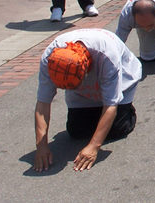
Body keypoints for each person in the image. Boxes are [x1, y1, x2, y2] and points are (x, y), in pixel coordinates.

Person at [34, 29, 142, 172]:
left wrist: (93, 147)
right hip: (84, 82)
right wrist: (41, 146)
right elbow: (42, 104)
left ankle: (128, 110)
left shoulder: (107, 55)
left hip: (123, 78)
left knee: (117, 129)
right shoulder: (49, 59)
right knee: (77, 132)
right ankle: (94, 109)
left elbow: (111, 105)